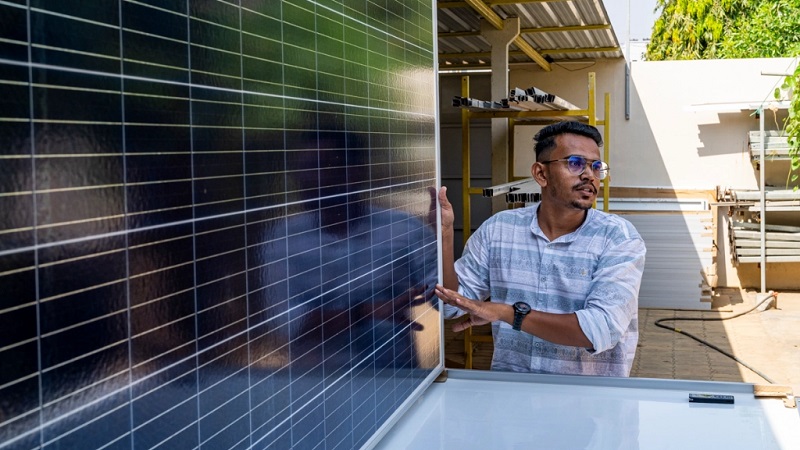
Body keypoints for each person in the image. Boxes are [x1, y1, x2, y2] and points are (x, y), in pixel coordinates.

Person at [435, 120, 646, 377]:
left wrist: (506, 313)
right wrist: (445, 233)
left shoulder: (617, 237)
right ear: (540, 174)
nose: (589, 175)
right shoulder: (499, 230)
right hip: (515, 391)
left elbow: (600, 329)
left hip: (590, 402)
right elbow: (452, 304)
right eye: (575, 163)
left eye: (596, 166)